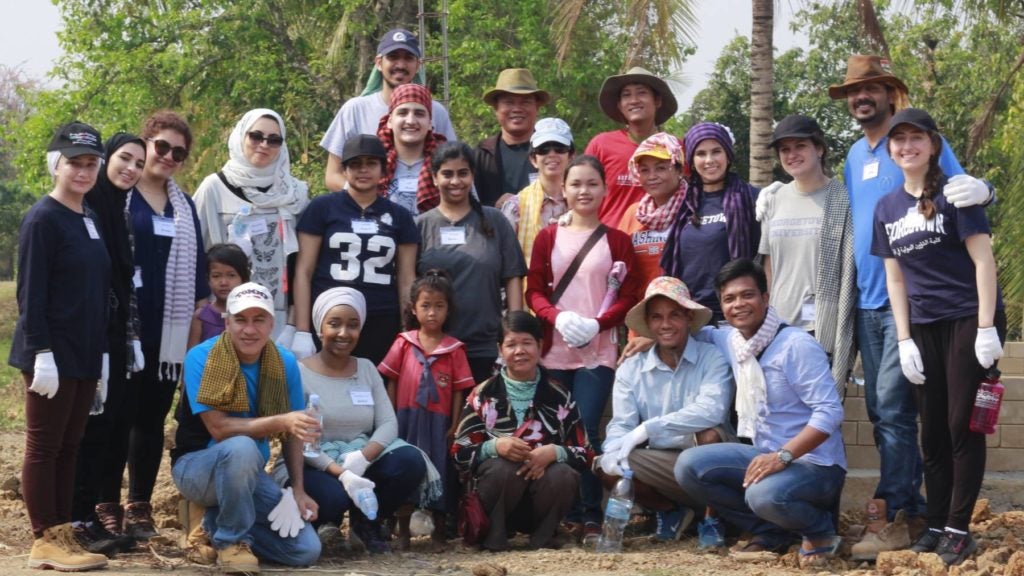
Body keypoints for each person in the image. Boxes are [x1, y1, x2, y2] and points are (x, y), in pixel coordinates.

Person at [822, 55, 993, 553]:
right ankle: (917, 510)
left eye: (872, 88)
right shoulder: (856, 154)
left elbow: (966, 198)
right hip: (874, 303)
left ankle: (901, 512)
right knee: (880, 409)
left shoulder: (921, 144)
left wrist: (990, 189)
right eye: (854, 91)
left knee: (900, 413)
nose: (862, 97)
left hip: (932, 308)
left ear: (890, 93)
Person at [871, 108, 1005, 566]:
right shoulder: (886, 207)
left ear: (932, 144)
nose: (906, 147)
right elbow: (895, 280)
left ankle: (958, 529)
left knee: (960, 425)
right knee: (930, 433)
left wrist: (987, 326)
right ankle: (935, 523)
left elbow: (984, 263)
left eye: (916, 139)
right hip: (923, 326)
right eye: (898, 140)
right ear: (890, 149)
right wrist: (904, 339)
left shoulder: (957, 194)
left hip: (968, 317)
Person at [677, 258, 846, 569]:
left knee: (762, 495)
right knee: (689, 467)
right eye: (729, 299)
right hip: (765, 455)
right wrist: (645, 336)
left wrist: (781, 456)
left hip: (815, 466)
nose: (738, 305)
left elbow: (830, 413)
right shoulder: (733, 340)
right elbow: (692, 333)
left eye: (747, 295)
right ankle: (771, 530)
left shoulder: (796, 345)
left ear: (766, 298)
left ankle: (820, 529)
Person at [10, 121, 111, 571]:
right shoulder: (43, 219)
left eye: (91, 163)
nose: (83, 172)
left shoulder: (88, 217)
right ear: (57, 165)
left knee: (72, 446)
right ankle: (43, 539)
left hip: (85, 352)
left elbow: (96, 290)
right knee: (44, 445)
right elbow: (30, 294)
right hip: (51, 351)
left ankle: (63, 532)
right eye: (74, 163)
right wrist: (41, 353)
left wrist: (103, 355)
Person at [525, 155, 642, 543]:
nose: (584, 191)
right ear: (564, 189)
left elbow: (629, 296)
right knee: (555, 432)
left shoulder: (618, 241)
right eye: (576, 184)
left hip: (597, 352)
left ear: (605, 189)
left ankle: (591, 515)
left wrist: (598, 323)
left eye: (592, 183)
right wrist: (555, 317)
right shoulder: (548, 237)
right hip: (553, 352)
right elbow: (535, 290)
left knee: (586, 429)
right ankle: (565, 513)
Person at [171, 282, 320, 572]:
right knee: (241, 446)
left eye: (258, 320)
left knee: (306, 551)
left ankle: (211, 522)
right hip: (197, 468)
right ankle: (231, 542)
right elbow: (219, 429)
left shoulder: (284, 362)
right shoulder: (202, 357)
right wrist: (281, 420)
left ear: (271, 324)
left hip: (246, 475)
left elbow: (293, 434)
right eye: (240, 320)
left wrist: (298, 489)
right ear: (227, 323)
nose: (249, 330)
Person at [279, 287, 426, 555]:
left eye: (353, 325)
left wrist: (362, 457)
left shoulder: (367, 368)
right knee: (333, 497)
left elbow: (388, 424)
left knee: (409, 462)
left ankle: (366, 523)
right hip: (315, 464)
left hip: (360, 458)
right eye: (334, 324)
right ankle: (325, 527)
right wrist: (342, 472)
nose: (344, 333)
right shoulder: (298, 373)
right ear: (319, 327)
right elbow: (302, 441)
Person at [598, 276, 733, 544]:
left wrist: (649, 429)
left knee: (709, 436)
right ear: (648, 324)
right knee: (605, 465)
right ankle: (671, 512)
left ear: (688, 318)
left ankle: (712, 519)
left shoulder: (711, 357)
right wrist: (614, 448)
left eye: (674, 315)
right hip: (663, 462)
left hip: (707, 462)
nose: (666, 324)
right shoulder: (631, 368)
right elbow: (622, 423)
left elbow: (711, 410)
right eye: (657, 317)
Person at [126, 110, 209, 540]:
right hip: (123, 329)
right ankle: (102, 506)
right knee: (114, 418)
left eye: (179, 151)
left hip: (168, 333)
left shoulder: (184, 205)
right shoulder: (119, 192)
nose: (169, 156)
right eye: (162, 146)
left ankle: (138, 505)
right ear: (145, 143)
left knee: (151, 419)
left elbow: (198, 281)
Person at [452, 311, 594, 551]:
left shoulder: (559, 396)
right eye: (511, 344)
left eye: (527, 342)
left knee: (562, 473)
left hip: (542, 497)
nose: (519, 351)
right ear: (500, 349)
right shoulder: (483, 395)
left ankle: (545, 537)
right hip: (497, 499)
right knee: (501, 467)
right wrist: (494, 447)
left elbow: (586, 452)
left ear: (540, 345)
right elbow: (459, 453)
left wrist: (554, 452)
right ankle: (494, 538)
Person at [71, 132, 147, 556]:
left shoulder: (119, 210)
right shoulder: (88, 205)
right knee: (86, 432)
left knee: (108, 430)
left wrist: (130, 337)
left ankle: (90, 519)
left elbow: (125, 281)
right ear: (106, 160)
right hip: (88, 338)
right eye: (124, 159)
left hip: (116, 336)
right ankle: (77, 520)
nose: (131, 169)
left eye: (139, 162)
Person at [292, 134, 418, 365]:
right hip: (329, 318)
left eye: (371, 163)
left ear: (383, 169)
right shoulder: (322, 207)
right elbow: (304, 271)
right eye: (355, 164)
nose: (363, 170)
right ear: (345, 169)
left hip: (381, 318)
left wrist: (407, 330)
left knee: (373, 388)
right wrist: (301, 329)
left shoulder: (400, 216)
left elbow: (406, 278)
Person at [192, 108, 310, 338]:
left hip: (280, 319)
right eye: (256, 136)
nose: (264, 144)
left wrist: (296, 326)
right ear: (240, 137)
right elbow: (194, 252)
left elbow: (302, 264)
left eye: (274, 140)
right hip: (224, 317)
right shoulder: (214, 187)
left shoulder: (296, 194)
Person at [378, 270, 474, 550]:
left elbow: (458, 390)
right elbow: (391, 381)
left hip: (438, 423)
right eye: (426, 306)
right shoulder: (404, 343)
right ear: (413, 308)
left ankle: (439, 533)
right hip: (406, 419)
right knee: (406, 472)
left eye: (439, 306)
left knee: (440, 472)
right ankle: (404, 533)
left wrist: (455, 424)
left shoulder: (454, 349)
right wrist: (391, 418)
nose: (432, 313)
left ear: (449, 309)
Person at [417, 142, 528, 383]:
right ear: (434, 178)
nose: (455, 181)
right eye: (447, 174)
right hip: (434, 347)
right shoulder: (421, 225)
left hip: (485, 347)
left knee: (486, 420)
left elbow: (513, 278)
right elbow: (409, 286)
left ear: (472, 176)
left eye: (463, 173)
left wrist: (513, 334)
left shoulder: (495, 221)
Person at [759, 115, 856, 388]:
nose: (792, 155)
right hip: (779, 324)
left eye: (800, 146)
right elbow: (769, 265)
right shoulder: (773, 199)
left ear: (819, 148)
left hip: (820, 325)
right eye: (785, 149)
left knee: (820, 412)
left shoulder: (843, 198)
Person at [321, 27, 456, 191]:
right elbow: (333, 176)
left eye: (408, 58)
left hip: (427, 211)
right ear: (379, 63)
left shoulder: (436, 111)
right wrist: (370, 198)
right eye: (393, 57)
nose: (400, 64)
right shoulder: (355, 109)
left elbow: (454, 166)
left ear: (418, 65)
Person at [660, 121, 759, 322]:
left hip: (734, 317)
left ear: (728, 154)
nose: (709, 160)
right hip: (690, 316)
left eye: (716, 151)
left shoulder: (752, 199)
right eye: (701, 154)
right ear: (691, 159)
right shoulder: (682, 203)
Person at [586, 67, 678, 228]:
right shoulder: (601, 145)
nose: (634, 100)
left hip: (662, 244)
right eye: (626, 95)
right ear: (620, 105)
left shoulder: (674, 147)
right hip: (609, 243)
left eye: (641, 92)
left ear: (657, 101)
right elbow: (583, 192)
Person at [500, 117, 573, 268]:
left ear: (571, 156)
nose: (552, 154)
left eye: (559, 148)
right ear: (533, 159)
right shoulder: (516, 207)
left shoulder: (582, 203)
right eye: (543, 149)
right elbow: (507, 263)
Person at [618, 132, 687, 291]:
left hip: (684, 308)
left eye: (661, 168)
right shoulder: (633, 213)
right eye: (644, 170)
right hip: (641, 309)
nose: (652, 176)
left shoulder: (693, 210)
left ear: (679, 170)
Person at [473, 68, 550, 207]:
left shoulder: (552, 150)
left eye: (525, 102)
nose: (517, 109)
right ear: (496, 108)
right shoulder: (481, 154)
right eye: (509, 102)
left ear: (537, 107)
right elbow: (468, 205)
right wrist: (495, 207)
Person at [376, 83, 447, 215]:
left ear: (430, 123)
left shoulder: (447, 163)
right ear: (390, 121)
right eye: (402, 113)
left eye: (419, 114)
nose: (411, 121)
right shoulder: (373, 163)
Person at [188, 244, 251, 349]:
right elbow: (191, 357)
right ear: (208, 279)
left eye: (231, 275)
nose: (223, 282)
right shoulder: (201, 316)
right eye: (216, 276)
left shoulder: (251, 313)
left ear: (244, 278)